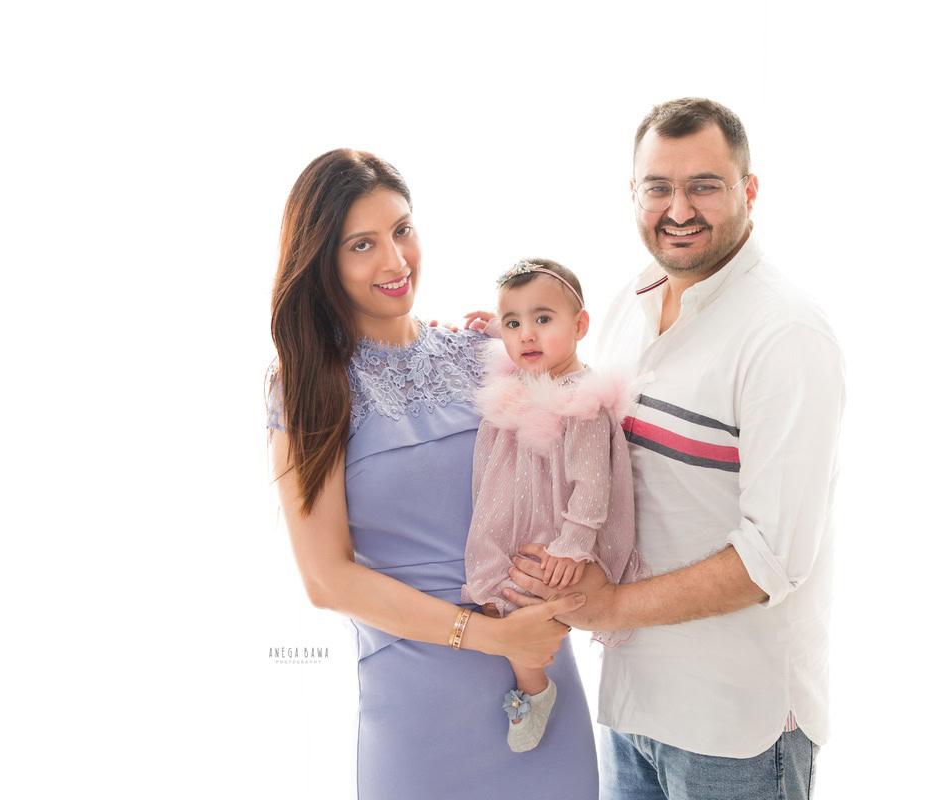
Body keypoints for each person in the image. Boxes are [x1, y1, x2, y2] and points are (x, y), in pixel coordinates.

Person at [501, 98, 846, 799]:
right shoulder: (632, 297)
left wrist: (606, 609)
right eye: (658, 187)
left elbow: (771, 558)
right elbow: (587, 440)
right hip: (632, 702)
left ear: (749, 191)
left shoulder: (786, 337)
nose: (678, 208)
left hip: (736, 728)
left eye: (705, 186)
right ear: (633, 194)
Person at [266, 149, 599, 799]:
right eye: (362, 244)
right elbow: (325, 579)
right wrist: (492, 635)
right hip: (422, 710)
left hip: (538, 681)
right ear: (323, 261)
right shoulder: (308, 387)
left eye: (402, 229)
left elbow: (586, 457)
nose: (395, 261)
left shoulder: (486, 355)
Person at [460, 258, 650, 753]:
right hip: (516, 509)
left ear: (579, 325)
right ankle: (530, 678)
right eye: (514, 323)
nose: (527, 335)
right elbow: (511, 343)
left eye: (543, 320)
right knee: (495, 588)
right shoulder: (524, 374)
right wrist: (491, 328)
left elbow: (591, 485)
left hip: (558, 526)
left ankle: (534, 689)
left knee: (523, 595)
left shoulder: (579, 401)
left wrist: (573, 544)